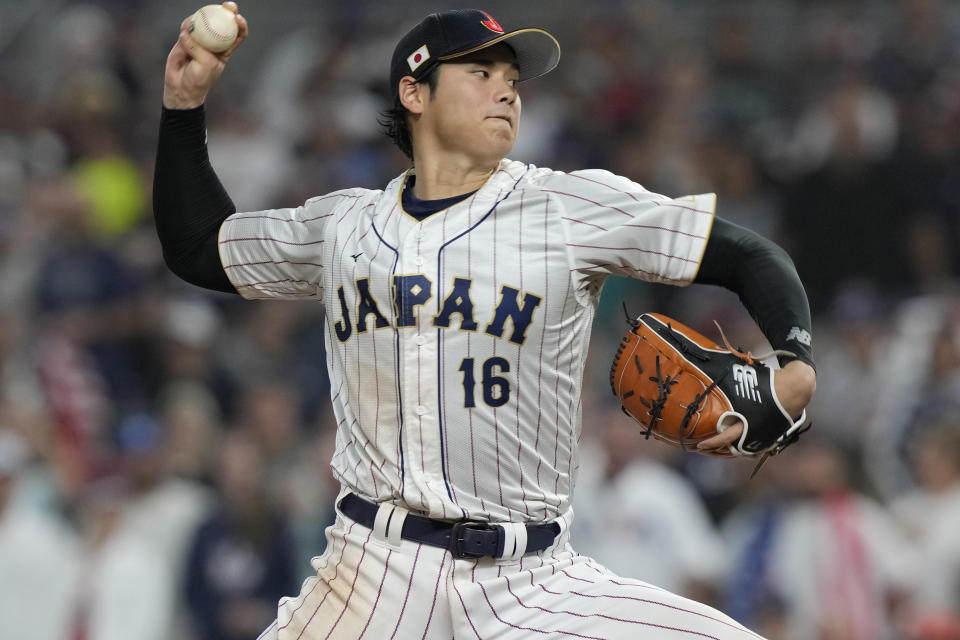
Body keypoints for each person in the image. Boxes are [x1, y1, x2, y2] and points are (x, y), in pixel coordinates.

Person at [154, 5, 817, 638]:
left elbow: (748, 254)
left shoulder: (564, 207)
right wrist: (183, 109)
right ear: (415, 93)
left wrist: (794, 361)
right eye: (481, 73)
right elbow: (199, 247)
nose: (507, 91)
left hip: (533, 579)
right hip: (369, 574)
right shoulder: (342, 224)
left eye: (512, 79)